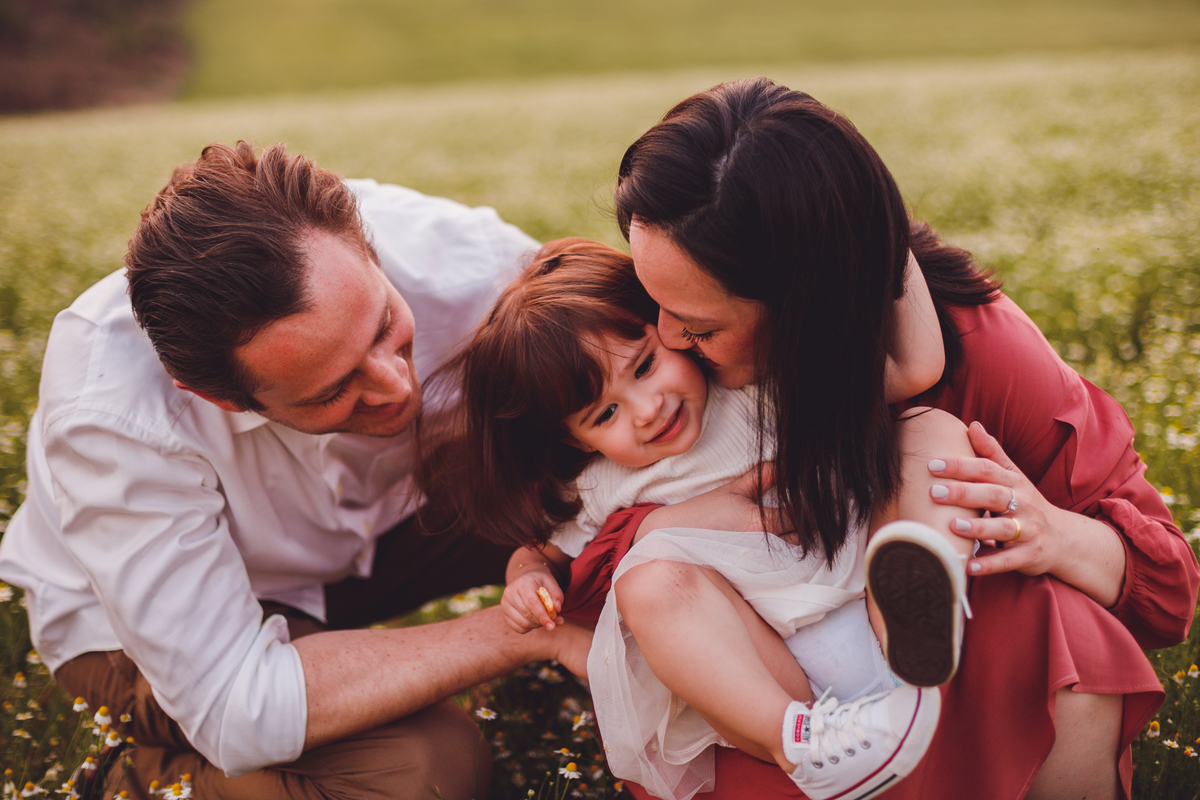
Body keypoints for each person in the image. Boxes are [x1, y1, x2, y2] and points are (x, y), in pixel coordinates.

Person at [560, 78, 1198, 800]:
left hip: (945, 682)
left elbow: (1168, 596)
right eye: (655, 305)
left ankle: (913, 631)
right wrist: (680, 521)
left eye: (700, 326)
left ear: (808, 309)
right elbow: (587, 571)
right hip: (798, 723)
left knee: (1065, 626)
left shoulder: (977, 352)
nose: (669, 339)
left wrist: (1054, 533)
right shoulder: (665, 383)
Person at [0, 141, 591, 800]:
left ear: (365, 248)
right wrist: (524, 636)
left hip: (385, 527)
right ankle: (139, 779)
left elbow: (634, 370)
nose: (398, 387)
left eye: (384, 326)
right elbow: (231, 702)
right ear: (222, 398)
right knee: (426, 772)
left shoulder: (458, 258)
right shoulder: (110, 415)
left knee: (602, 472)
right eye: (331, 391)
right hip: (148, 633)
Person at [431, 236, 985, 800]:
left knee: (925, 432)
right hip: (773, 661)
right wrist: (526, 577)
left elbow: (893, 375)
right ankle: (796, 743)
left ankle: (922, 596)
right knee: (646, 584)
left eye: (645, 365)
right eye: (605, 414)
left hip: (870, 579)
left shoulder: (749, 383)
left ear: (670, 324)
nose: (648, 411)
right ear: (572, 438)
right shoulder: (602, 482)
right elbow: (543, 550)